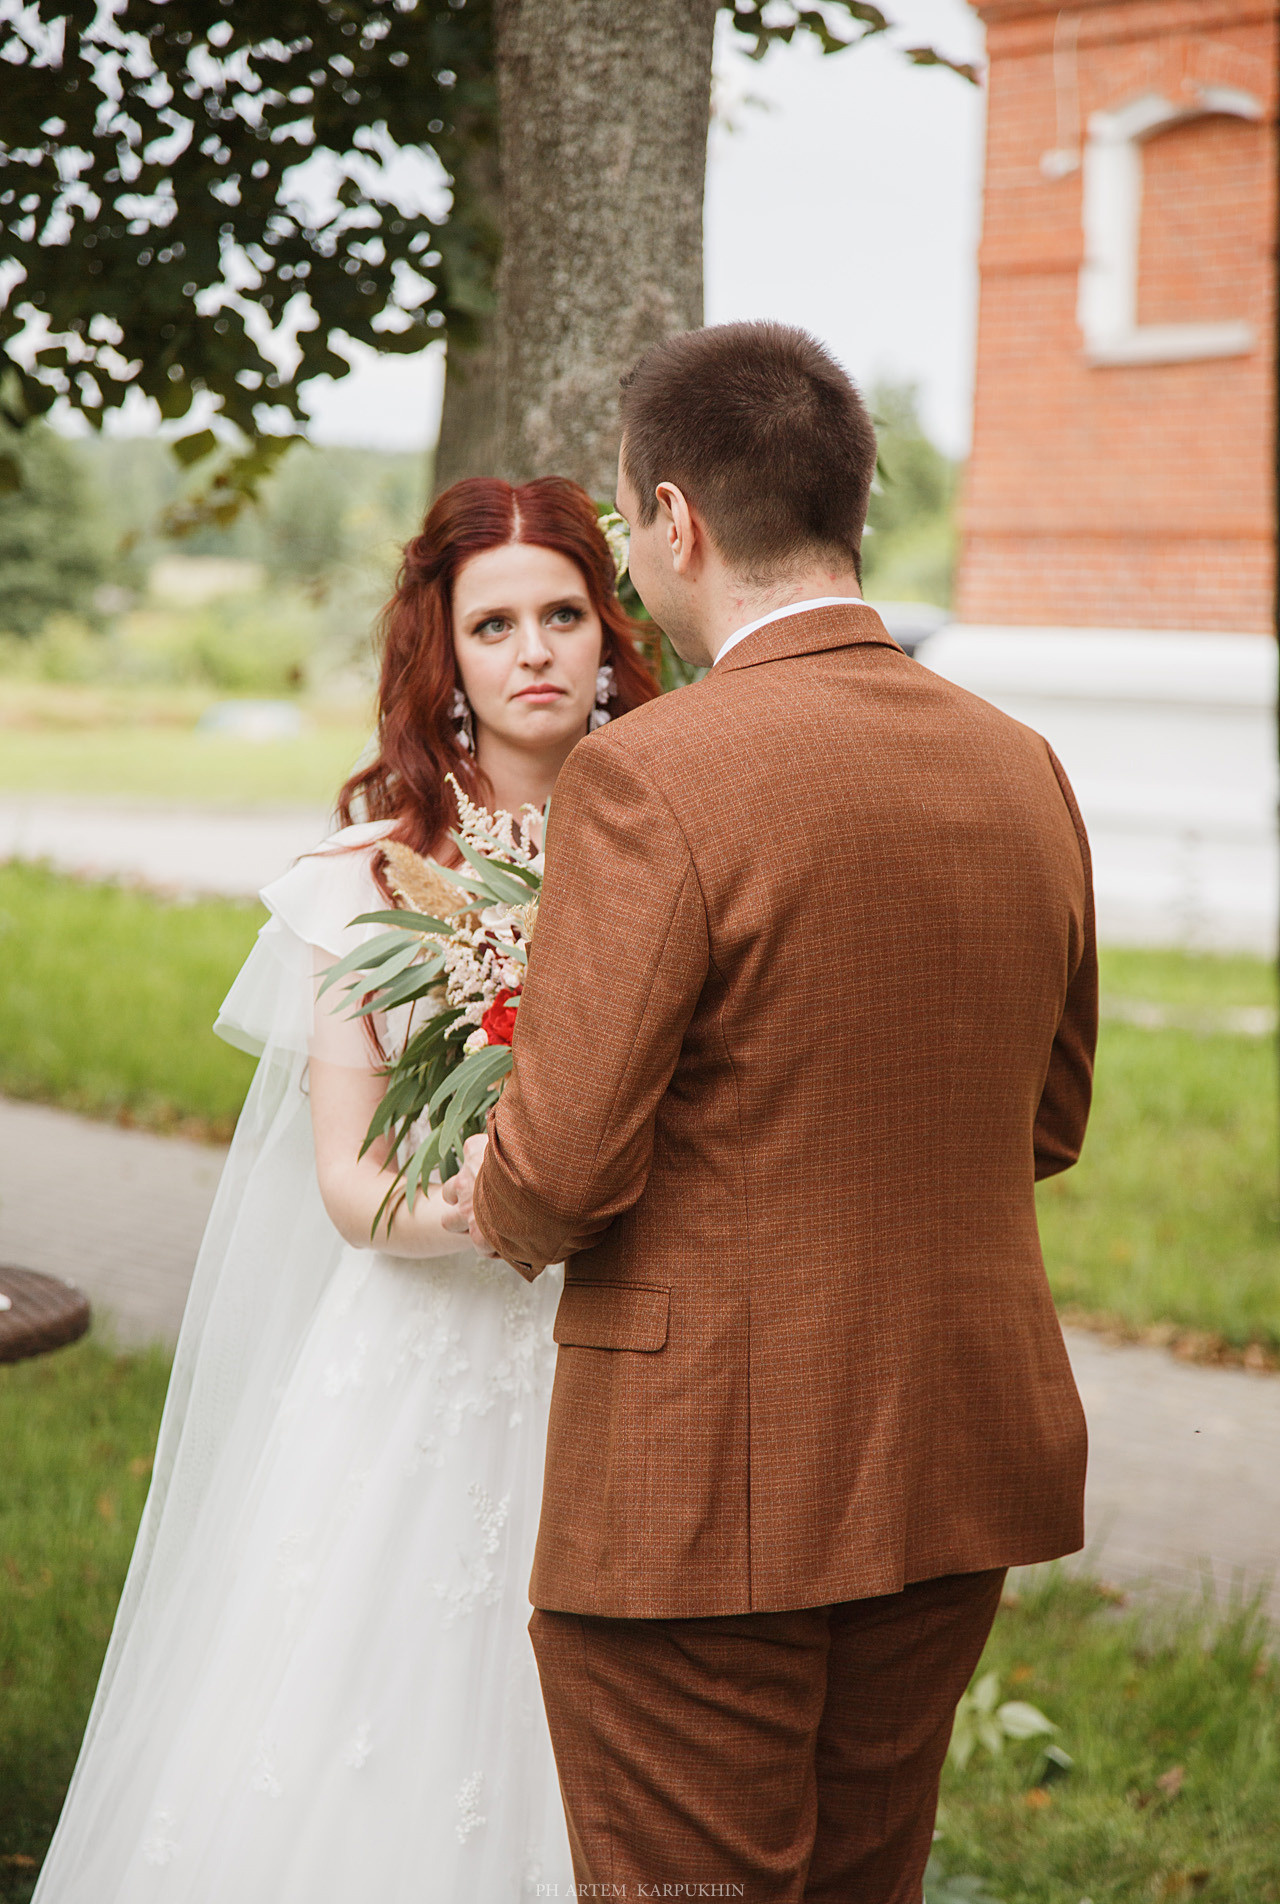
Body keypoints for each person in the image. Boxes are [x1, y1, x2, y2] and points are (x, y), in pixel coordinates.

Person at [444, 322, 1097, 1904]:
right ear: (849, 498)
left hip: (707, 1483)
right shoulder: (1026, 767)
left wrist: (492, 1195)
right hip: (957, 1450)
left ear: (674, 520)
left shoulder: (652, 775)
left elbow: (569, 1160)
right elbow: (1052, 1118)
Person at [32, 475, 658, 1904]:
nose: (537, 650)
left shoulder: (667, 841)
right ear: (444, 652)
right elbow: (350, 1187)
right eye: (495, 623)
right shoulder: (367, 879)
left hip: (627, 1343)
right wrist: (499, 1208)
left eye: (565, 612)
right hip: (428, 1358)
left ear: (609, 629)